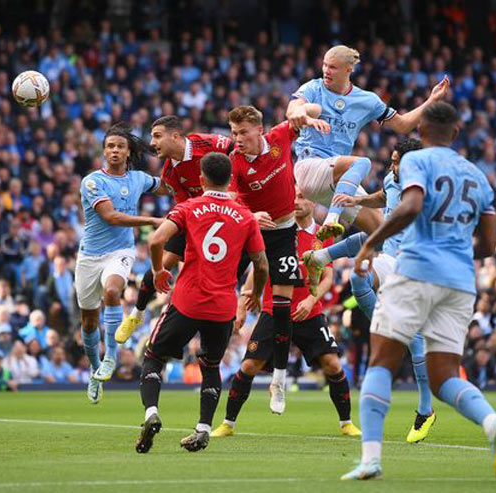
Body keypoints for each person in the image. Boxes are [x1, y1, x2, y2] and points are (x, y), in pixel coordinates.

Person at [341, 102, 496, 482]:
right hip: (459, 282)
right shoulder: (478, 177)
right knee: (444, 377)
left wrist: (373, 241)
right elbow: (488, 246)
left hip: (416, 269)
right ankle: (493, 424)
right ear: (456, 133)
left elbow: (412, 204)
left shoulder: (416, 162)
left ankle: (370, 459)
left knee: (381, 363)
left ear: (421, 132)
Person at [302, 138, 436, 443]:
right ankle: (385, 326)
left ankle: (426, 410)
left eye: (398, 162)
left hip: (417, 267)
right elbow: (383, 197)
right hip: (391, 260)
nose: (392, 167)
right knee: (358, 278)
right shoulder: (392, 179)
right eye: (392, 160)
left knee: (416, 342)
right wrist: (360, 201)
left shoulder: (426, 192)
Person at [135, 152, 268, 454]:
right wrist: (254, 295)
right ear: (230, 179)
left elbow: (156, 241)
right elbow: (261, 264)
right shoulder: (246, 217)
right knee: (210, 366)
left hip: (188, 301)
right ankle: (203, 429)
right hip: (222, 306)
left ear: (201, 179)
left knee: (154, 356)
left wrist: (158, 272)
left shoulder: (188, 208)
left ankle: (152, 413)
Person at [212, 188, 360, 438]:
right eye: (294, 196)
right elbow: (257, 268)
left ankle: (346, 423)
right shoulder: (277, 231)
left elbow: (328, 275)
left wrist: (311, 300)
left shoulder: (323, 234)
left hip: (309, 313)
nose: (296, 201)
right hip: (273, 309)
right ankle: (228, 423)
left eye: (302, 197)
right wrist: (242, 302)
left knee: (332, 364)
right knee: (249, 366)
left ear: (314, 202)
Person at [286, 45, 450, 240]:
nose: (326, 71)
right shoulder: (313, 87)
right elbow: (294, 108)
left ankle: (321, 258)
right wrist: (299, 114)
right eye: (324, 65)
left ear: (349, 70)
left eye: (333, 67)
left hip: (340, 180)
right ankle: (332, 220)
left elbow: (403, 125)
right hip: (310, 169)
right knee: (362, 163)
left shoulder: (367, 100)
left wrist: (431, 100)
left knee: (385, 233)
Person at [228, 105, 328, 414]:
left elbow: (311, 107)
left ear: (259, 130)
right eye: (233, 133)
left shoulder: (280, 138)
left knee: (282, 308)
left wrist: (306, 114)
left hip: (283, 232)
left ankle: (279, 380)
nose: (238, 139)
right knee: (221, 278)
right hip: (252, 231)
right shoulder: (234, 161)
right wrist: (251, 215)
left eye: (243, 132)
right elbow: (229, 199)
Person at [118, 115, 233, 343]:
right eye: (152, 137)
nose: (153, 142)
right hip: (198, 218)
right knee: (160, 262)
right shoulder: (170, 172)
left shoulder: (208, 144)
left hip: (227, 215)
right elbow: (184, 205)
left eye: (157, 136)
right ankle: (137, 314)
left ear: (176, 136)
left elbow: (236, 149)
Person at [76, 123, 164, 404]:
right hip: (90, 256)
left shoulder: (139, 178)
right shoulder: (92, 182)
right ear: (104, 151)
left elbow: (169, 186)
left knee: (113, 292)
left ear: (128, 152)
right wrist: (152, 220)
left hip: (121, 252)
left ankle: (111, 356)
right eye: (110, 146)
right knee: (88, 320)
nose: (114, 150)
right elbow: (111, 217)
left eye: (120, 146)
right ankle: (94, 369)